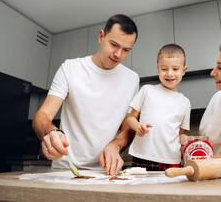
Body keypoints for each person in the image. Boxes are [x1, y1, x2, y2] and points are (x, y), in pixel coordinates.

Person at [32, 14, 139, 175]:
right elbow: (43, 115)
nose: (118, 54)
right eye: (114, 44)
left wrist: (115, 145)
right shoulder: (70, 68)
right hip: (65, 169)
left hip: (107, 171)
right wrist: (51, 133)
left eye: (126, 50)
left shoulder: (132, 79)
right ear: (101, 36)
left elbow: (128, 128)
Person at [127, 44, 191, 171]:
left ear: (184, 70)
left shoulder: (185, 102)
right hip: (143, 155)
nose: (169, 73)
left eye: (175, 69)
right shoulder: (147, 90)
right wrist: (137, 126)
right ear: (157, 69)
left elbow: (181, 134)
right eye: (164, 69)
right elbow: (130, 118)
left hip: (171, 159)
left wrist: (187, 141)